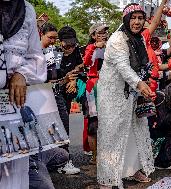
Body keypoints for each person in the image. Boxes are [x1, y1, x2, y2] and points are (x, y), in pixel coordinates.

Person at [97, 3, 156, 188]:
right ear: (126, 19)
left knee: (134, 130)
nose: (137, 22)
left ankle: (131, 169)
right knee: (113, 133)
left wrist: (143, 84)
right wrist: (140, 84)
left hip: (131, 93)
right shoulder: (117, 38)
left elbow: (142, 66)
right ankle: (108, 177)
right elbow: (123, 66)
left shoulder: (139, 39)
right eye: (134, 18)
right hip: (112, 94)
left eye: (140, 18)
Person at [0, 0, 46, 188]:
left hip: (13, 107)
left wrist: (22, 74)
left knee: (13, 173)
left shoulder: (27, 10)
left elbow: (36, 56)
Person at [41, 23, 80, 175]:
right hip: (39, 98)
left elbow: (56, 77)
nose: (52, 41)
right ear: (41, 34)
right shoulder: (33, 52)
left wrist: (68, 79)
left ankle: (64, 161)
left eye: (54, 39)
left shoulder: (54, 53)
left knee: (63, 129)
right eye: (50, 37)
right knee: (44, 133)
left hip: (56, 96)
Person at [83, 22, 109, 164]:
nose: (103, 35)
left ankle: (107, 153)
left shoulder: (111, 47)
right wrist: (94, 47)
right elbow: (86, 63)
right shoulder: (89, 48)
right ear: (93, 36)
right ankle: (95, 156)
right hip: (93, 87)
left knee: (108, 121)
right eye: (100, 33)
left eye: (105, 32)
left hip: (109, 87)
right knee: (93, 123)